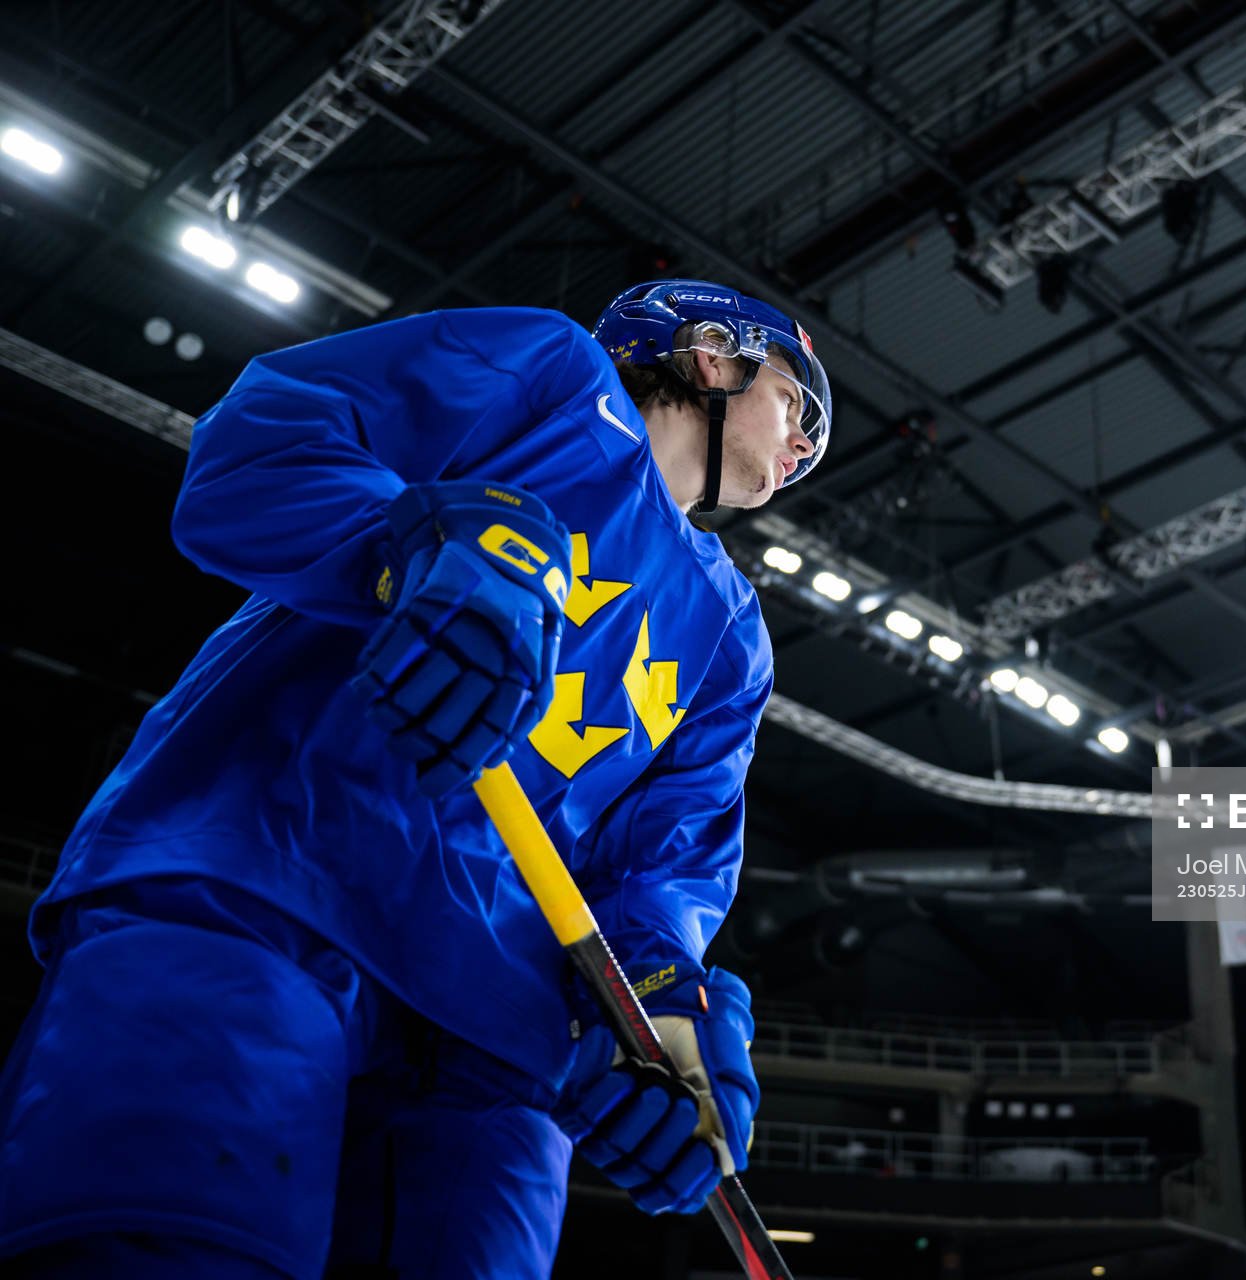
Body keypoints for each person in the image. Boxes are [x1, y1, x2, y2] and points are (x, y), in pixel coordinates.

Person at [0, 280, 830, 1278]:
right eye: (795, 400)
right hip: (268, 878)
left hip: (490, 1032)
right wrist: (414, 541)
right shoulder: (556, 376)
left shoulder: (732, 634)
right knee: (161, 1247)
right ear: (712, 354)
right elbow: (258, 445)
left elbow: (663, 868)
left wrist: (663, 1009)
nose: (803, 444)